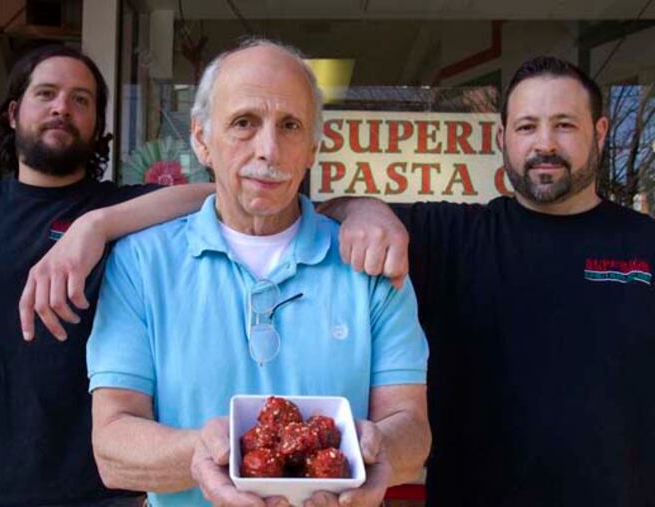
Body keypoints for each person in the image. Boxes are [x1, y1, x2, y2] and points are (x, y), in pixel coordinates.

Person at [85, 39, 431, 507]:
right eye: (244, 123)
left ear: (312, 148)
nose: (268, 149)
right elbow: (112, 447)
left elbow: (411, 428)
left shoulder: (370, 262)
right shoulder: (141, 264)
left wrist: (375, 448)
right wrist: (203, 455)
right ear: (201, 138)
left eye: (290, 126)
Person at [0, 44, 217, 507]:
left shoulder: (123, 213)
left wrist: (95, 225)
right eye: (46, 93)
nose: (62, 107)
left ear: (97, 126)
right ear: (12, 113)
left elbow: (218, 198)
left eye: (81, 99)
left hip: (107, 494)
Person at [394, 56, 655, 506]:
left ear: (600, 132)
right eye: (527, 126)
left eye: (565, 126)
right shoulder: (453, 238)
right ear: (502, 138)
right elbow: (320, 223)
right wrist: (364, 212)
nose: (544, 144)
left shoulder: (646, 244)